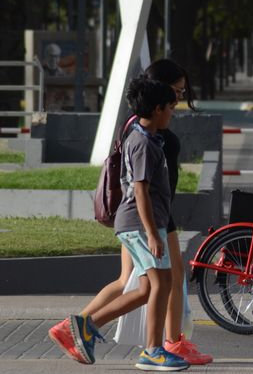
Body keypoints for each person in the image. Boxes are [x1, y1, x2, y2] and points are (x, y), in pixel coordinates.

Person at [48, 59, 212, 366]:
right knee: (162, 282)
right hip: (144, 220)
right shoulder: (144, 141)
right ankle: (159, 346)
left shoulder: (143, 131)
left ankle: (86, 326)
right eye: (173, 97)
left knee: (142, 285)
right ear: (158, 103)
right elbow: (140, 189)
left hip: (149, 218)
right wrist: (153, 231)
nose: (177, 102)